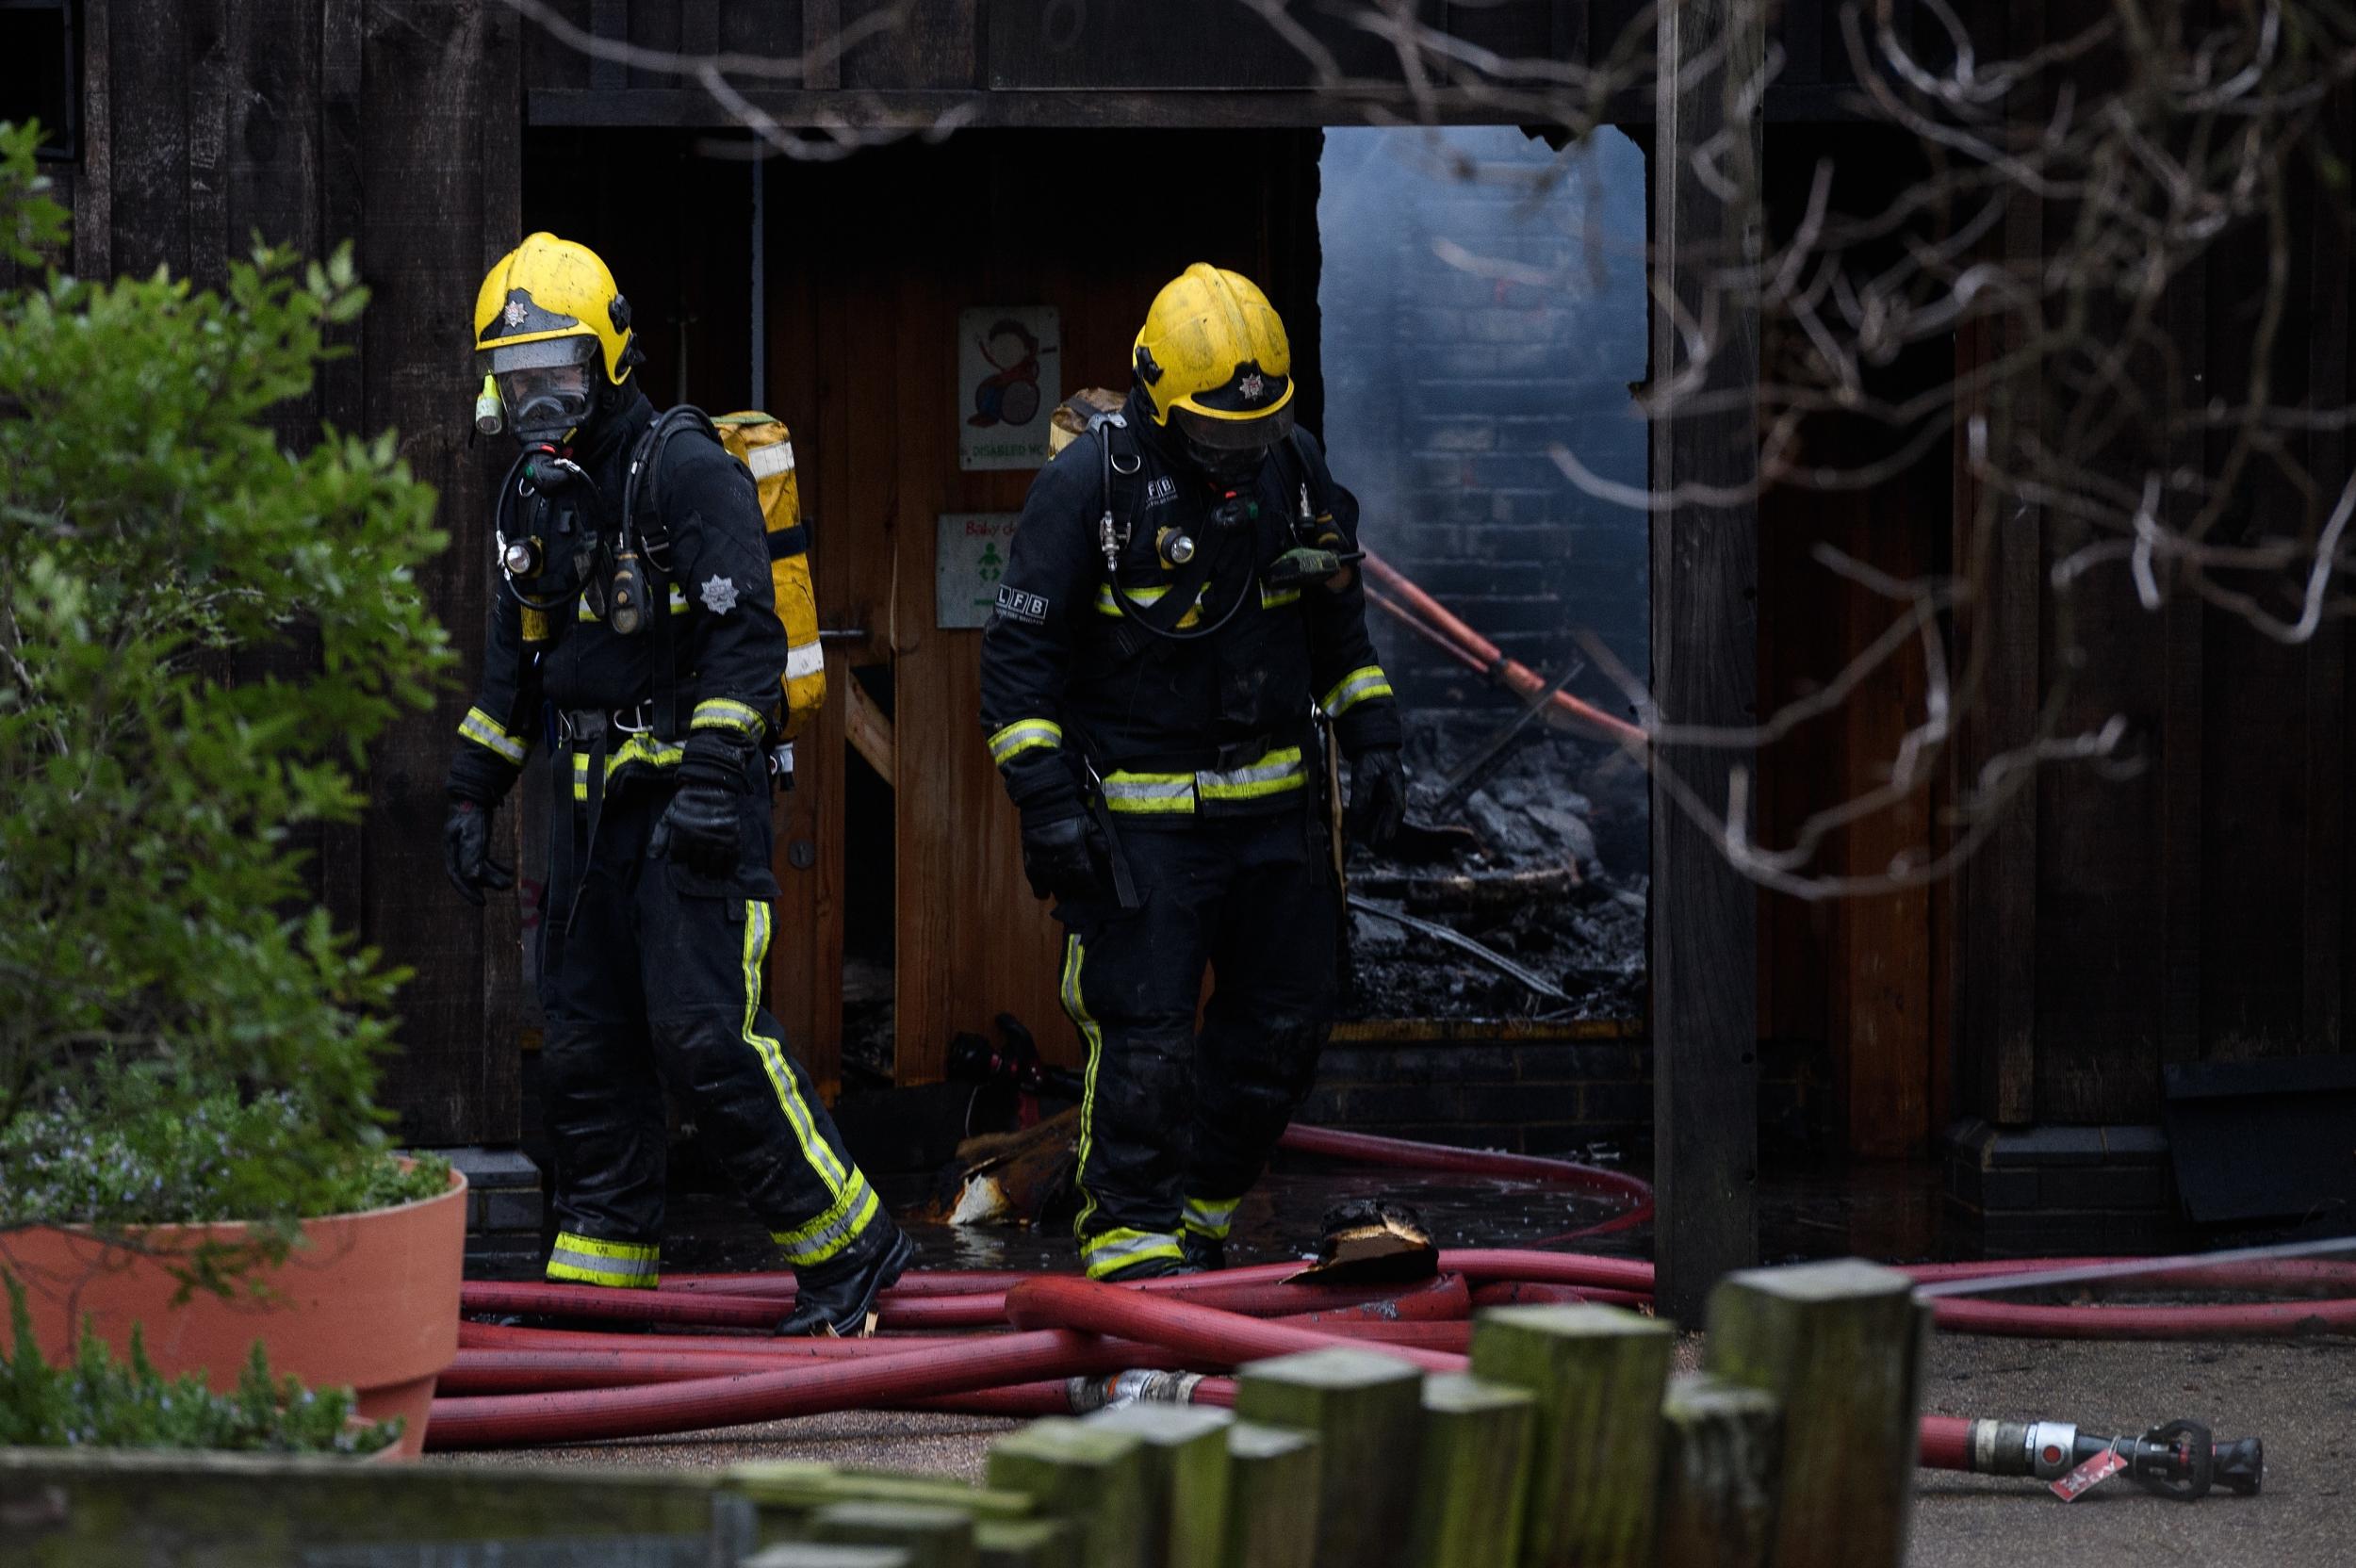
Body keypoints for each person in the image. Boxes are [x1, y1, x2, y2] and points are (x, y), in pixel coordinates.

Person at [444, 232, 910, 1332]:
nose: (539, 402)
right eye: (517, 383)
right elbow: (516, 661)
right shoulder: (528, 494)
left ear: (610, 356)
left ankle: (853, 1246)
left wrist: (707, 785)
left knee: (705, 1034)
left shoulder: (683, 465)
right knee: (589, 1041)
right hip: (586, 810)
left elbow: (748, 642)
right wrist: (472, 789)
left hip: (689, 805)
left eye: (557, 374)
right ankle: (602, 1275)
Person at [977, 263, 1408, 1281]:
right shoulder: (1086, 488)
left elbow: (1336, 624)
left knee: (1288, 1024)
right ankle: (1128, 1238)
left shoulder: (1291, 467)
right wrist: (1046, 808)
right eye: (1218, 436)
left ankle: (1199, 1217)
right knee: (1148, 1038)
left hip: (1274, 823)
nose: (1239, 457)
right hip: (1141, 828)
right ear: (1157, 400)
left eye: (1255, 434)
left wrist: (1374, 737)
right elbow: (1016, 665)